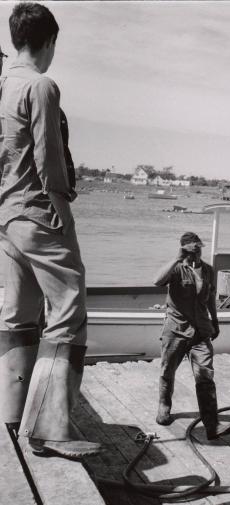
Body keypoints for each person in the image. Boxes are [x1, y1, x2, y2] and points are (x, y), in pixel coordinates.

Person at [0, 3, 101, 459]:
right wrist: (63, 213)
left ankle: (11, 414)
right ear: (49, 41)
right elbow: (50, 161)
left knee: (17, 316)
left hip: (6, 219)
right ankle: (50, 430)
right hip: (40, 216)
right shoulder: (40, 86)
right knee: (67, 310)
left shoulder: (1, 84)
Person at [153, 232, 230, 440]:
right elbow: (157, 281)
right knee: (167, 370)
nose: (196, 251)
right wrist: (176, 257)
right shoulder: (177, 268)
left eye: (199, 247)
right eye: (191, 248)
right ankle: (164, 405)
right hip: (176, 329)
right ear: (183, 249)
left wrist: (215, 322)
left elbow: (209, 299)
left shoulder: (208, 270)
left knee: (205, 375)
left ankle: (212, 425)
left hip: (200, 331)